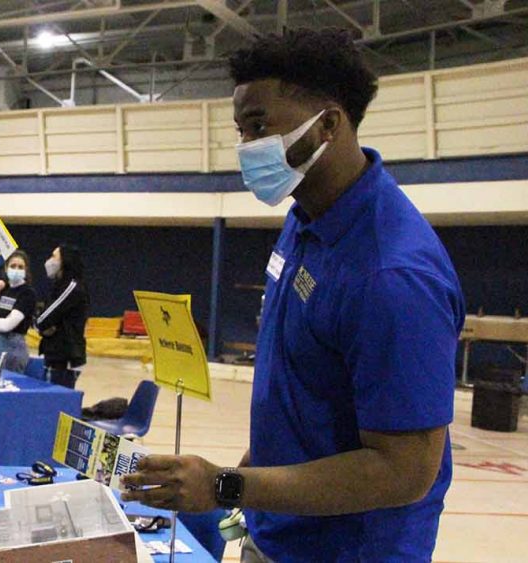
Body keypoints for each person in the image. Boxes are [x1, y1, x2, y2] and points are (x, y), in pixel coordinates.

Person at [121, 28, 464, 562]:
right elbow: (299, 391)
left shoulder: (393, 277)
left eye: (258, 127)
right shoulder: (304, 220)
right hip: (277, 532)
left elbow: (405, 471)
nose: (246, 149)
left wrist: (226, 486)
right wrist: (241, 491)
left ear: (329, 123)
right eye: (240, 131)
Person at [36, 245, 89, 389]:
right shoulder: (57, 286)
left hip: (65, 358)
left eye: (54, 257)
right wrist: (44, 326)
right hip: (53, 354)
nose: (49, 261)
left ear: (65, 261)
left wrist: (45, 325)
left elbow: (42, 319)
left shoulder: (72, 287)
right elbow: (43, 321)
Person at [0, 250, 37, 373]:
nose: (16, 269)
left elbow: (9, 325)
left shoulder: (27, 293)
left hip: (15, 348)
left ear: (26, 270)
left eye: (20, 267)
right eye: (13, 266)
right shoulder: (3, 290)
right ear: (6, 268)